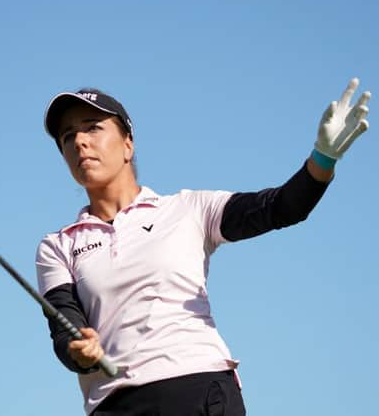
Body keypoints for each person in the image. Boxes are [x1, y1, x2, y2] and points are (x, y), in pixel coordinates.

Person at [35, 81, 371, 416]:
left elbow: (282, 207)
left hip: (199, 389)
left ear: (128, 144)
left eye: (92, 128)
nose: (79, 141)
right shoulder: (59, 246)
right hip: (116, 405)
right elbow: (65, 327)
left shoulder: (189, 209)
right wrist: (79, 349)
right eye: (67, 136)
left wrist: (323, 160)